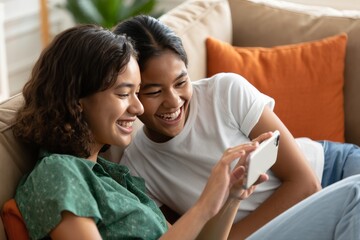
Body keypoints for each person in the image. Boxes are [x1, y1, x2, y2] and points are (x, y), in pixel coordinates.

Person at [12, 24, 268, 240]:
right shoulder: (57, 172)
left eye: (137, 93)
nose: (137, 108)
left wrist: (231, 196)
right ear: (76, 99)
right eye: (124, 94)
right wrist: (204, 205)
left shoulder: (113, 176)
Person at [113, 15, 360, 239]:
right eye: (154, 91)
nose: (174, 101)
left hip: (332, 166)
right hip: (288, 221)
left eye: (181, 82)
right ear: (131, 93)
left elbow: (305, 183)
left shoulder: (224, 91)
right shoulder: (137, 168)